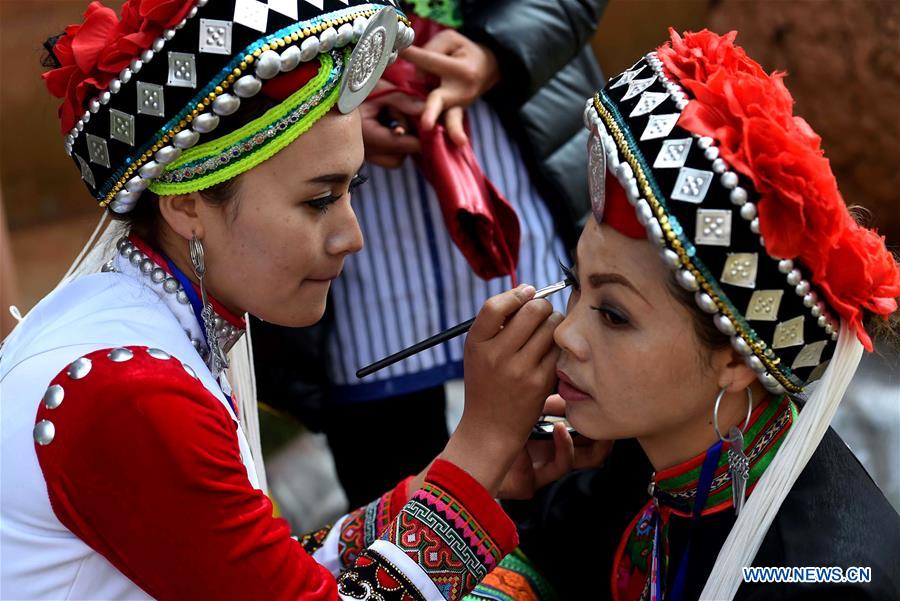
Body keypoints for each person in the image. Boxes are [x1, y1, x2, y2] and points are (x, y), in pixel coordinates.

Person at [0, 1, 564, 598]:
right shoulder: (132, 395)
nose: (354, 236)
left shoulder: (150, 321)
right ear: (187, 206)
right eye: (318, 201)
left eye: (354, 189)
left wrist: (472, 474)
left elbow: (268, 566)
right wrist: (483, 445)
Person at [466, 29, 900, 601]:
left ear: (735, 362)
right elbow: (546, 563)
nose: (566, 332)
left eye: (615, 315)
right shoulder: (634, 452)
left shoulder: (825, 581)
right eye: (575, 285)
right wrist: (493, 473)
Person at [251, 0, 607, 508]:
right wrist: (322, 111)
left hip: (520, 195)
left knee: (574, 502)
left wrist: (498, 50)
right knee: (398, 526)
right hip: (360, 280)